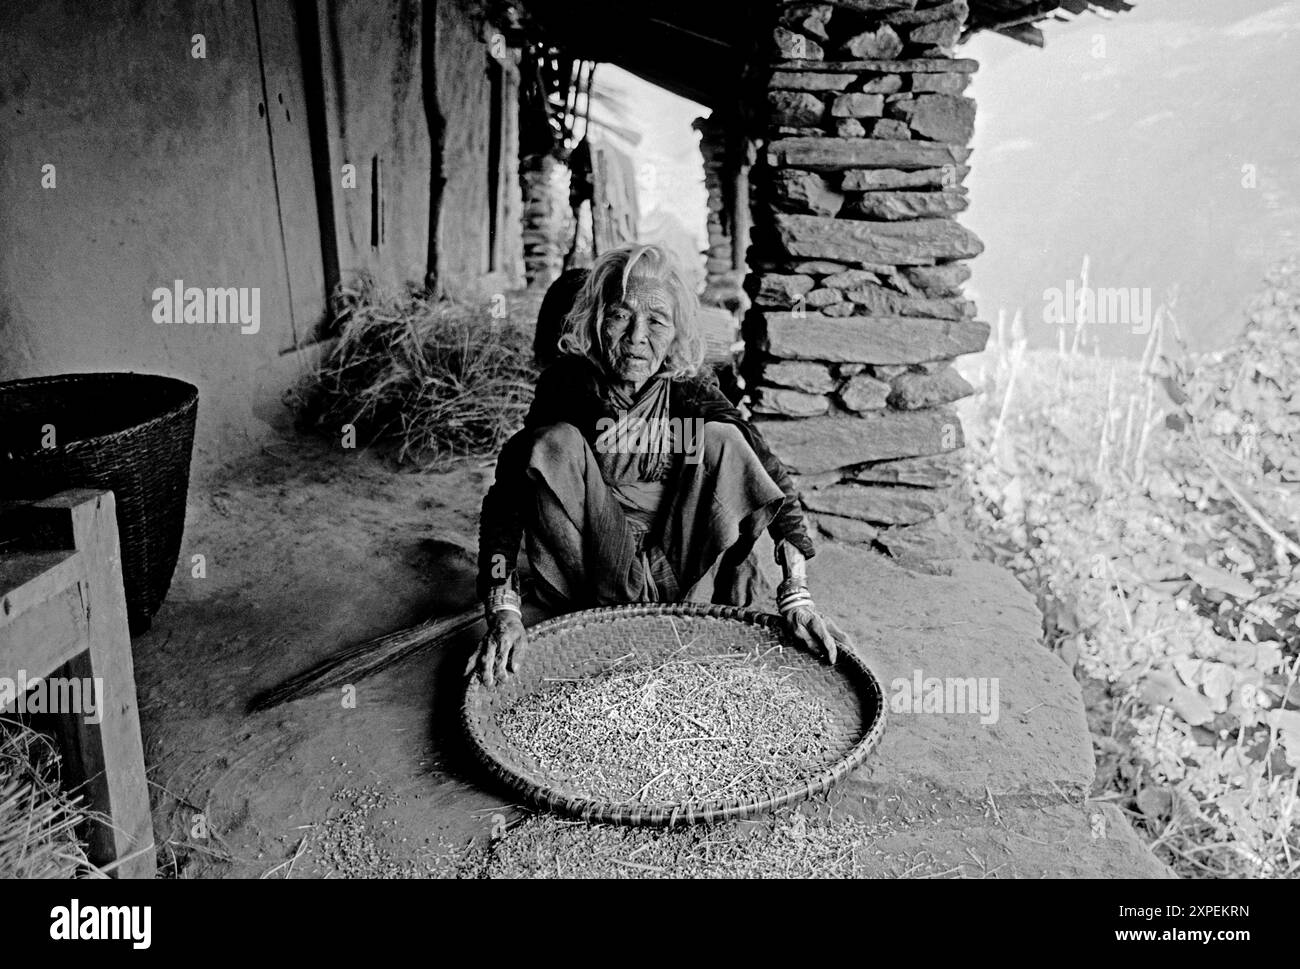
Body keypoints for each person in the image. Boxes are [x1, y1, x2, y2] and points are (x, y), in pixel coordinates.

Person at [468, 243, 851, 685]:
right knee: (552, 444)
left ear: (675, 333)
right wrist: (502, 608)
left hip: (681, 574)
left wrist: (797, 596)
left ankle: (668, 612)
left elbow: (769, 476)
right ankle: (613, 611)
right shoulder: (570, 384)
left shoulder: (688, 390)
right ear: (596, 319)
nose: (636, 337)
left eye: (656, 321)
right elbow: (507, 496)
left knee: (722, 440)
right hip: (589, 572)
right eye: (620, 315)